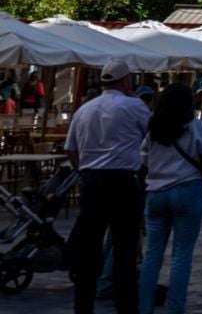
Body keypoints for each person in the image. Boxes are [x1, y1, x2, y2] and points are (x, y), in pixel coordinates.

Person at [64, 62, 150, 314]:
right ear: (125, 81)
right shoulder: (134, 106)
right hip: (123, 181)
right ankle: (125, 306)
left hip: (92, 181)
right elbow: (152, 136)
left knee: (89, 248)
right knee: (125, 247)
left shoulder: (84, 110)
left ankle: (83, 306)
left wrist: (84, 171)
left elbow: (71, 149)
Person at [139, 82, 202, 314]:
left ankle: (145, 307)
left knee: (152, 254)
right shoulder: (196, 127)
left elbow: (143, 158)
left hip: (156, 192)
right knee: (182, 255)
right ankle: (175, 307)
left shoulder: (154, 128)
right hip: (187, 189)